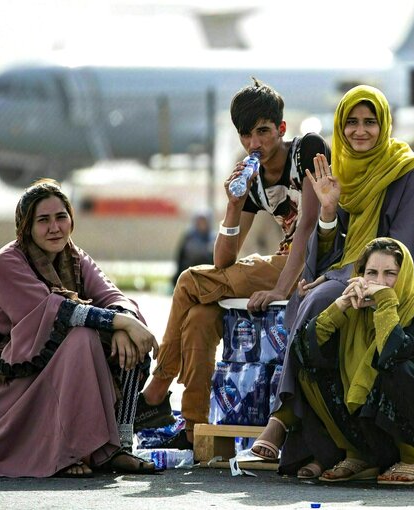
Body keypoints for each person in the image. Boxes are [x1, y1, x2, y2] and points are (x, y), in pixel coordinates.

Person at [134, 79, 329, 445]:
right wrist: (234, 205)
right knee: (198, 317)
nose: (255, 144)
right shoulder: (252, 176)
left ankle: (157, 389)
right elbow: (223, 261)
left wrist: (279, 288)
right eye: (246, 135)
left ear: (281, 129)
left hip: (317, 262)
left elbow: (308, 229)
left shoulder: (307, 150)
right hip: (284, 261)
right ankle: (194, 430)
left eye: (263, 132)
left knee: (190, 282)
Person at [248, 85, 414, 478]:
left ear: (384, 125)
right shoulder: (341, 171)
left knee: (317, 302)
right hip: (345, 273)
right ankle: (323, 447)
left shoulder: (405, 170)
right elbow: (329, 245)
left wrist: (337, 276)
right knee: (307, 302)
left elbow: (401, 248)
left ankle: (283, 419)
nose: (360, 131)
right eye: (351, 122)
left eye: (369, 122)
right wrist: (328, 211)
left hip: (387, 277)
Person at [0, 180, 160, 477]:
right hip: (1, 375)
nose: (54, 227)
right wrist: (120, 322)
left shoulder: (75, 258)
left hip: (45, 365)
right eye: (43, 220)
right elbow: (58, 313)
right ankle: (69, 451)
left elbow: (114, 297)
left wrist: (123, 324)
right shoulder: (6, 262)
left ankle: (118, 446)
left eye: (61, 217)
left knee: (127, 339)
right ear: (26, 227)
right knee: (82, 336)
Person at [271, 237, 414, 485]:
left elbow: (391, 351)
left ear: (403, 275)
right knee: (309, 367)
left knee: (395, 366)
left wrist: (385, 301)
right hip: (375, 433)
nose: (380, 282)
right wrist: (338, 306)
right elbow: (303, 349)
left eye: (390, 274)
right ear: (359, 275)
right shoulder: (354, 311)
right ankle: (360, 454)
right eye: (372, 273)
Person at [173, 212, 215, 285]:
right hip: (189, 269)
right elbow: (181, 255)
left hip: (206, 271)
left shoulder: (212, 237)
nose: (202, 224)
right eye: (199, 221)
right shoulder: (189, 236)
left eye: (204, 221)